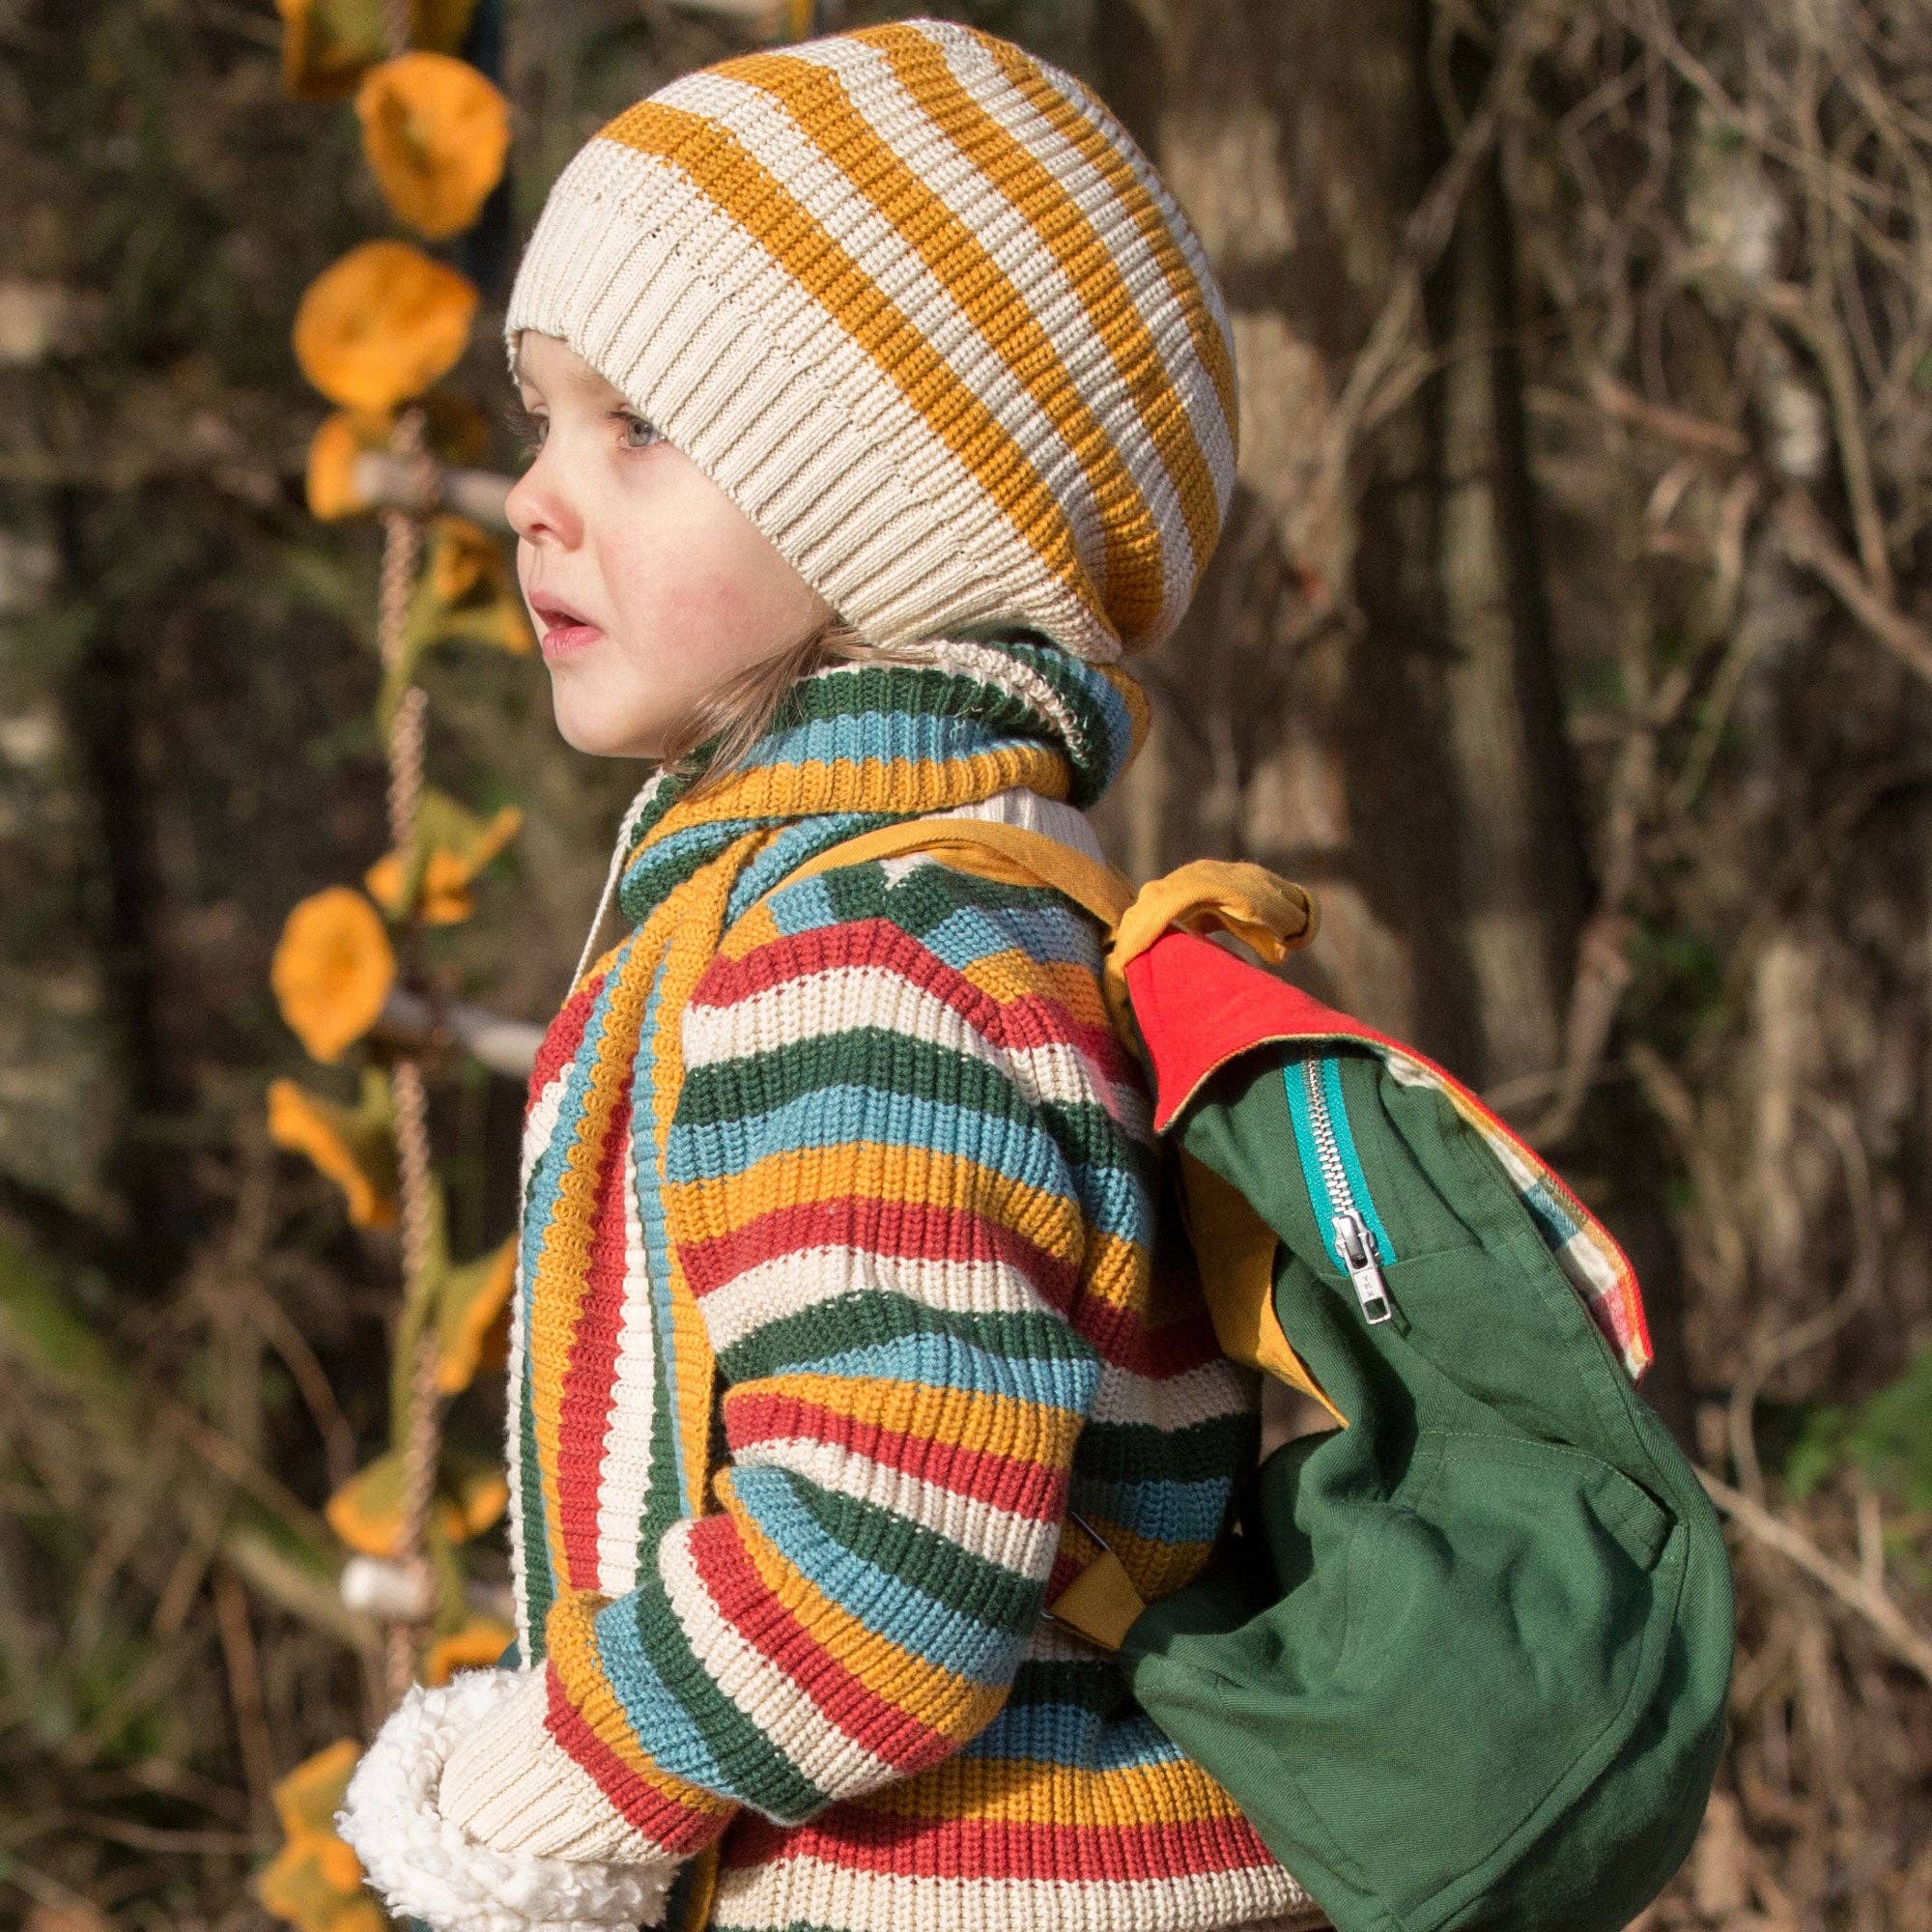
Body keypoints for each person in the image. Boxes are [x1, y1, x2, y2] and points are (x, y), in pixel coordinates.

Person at [336, 17, 1319, 1932]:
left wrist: (558, 1782)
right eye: (537, 416)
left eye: (636, 426)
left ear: (899, 514)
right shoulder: (930, 897)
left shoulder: (860, 956)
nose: (536, 490)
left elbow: (886, 1544)